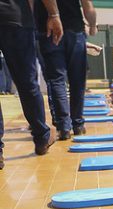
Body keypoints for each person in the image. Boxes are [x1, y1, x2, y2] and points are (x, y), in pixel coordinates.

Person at [0, 0, 62, 169]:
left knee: (27, 82)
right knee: (27, 82)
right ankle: (41, 136)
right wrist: (54, 14)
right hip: (15, 17)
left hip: (16, 18)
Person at [35, 0, 96, 140]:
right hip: (74, 30)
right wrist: (92, 25)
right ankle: (78, 124)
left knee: (57, 80)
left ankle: (64, 127)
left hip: (48, 29)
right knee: (77, 81)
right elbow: (88, 5)